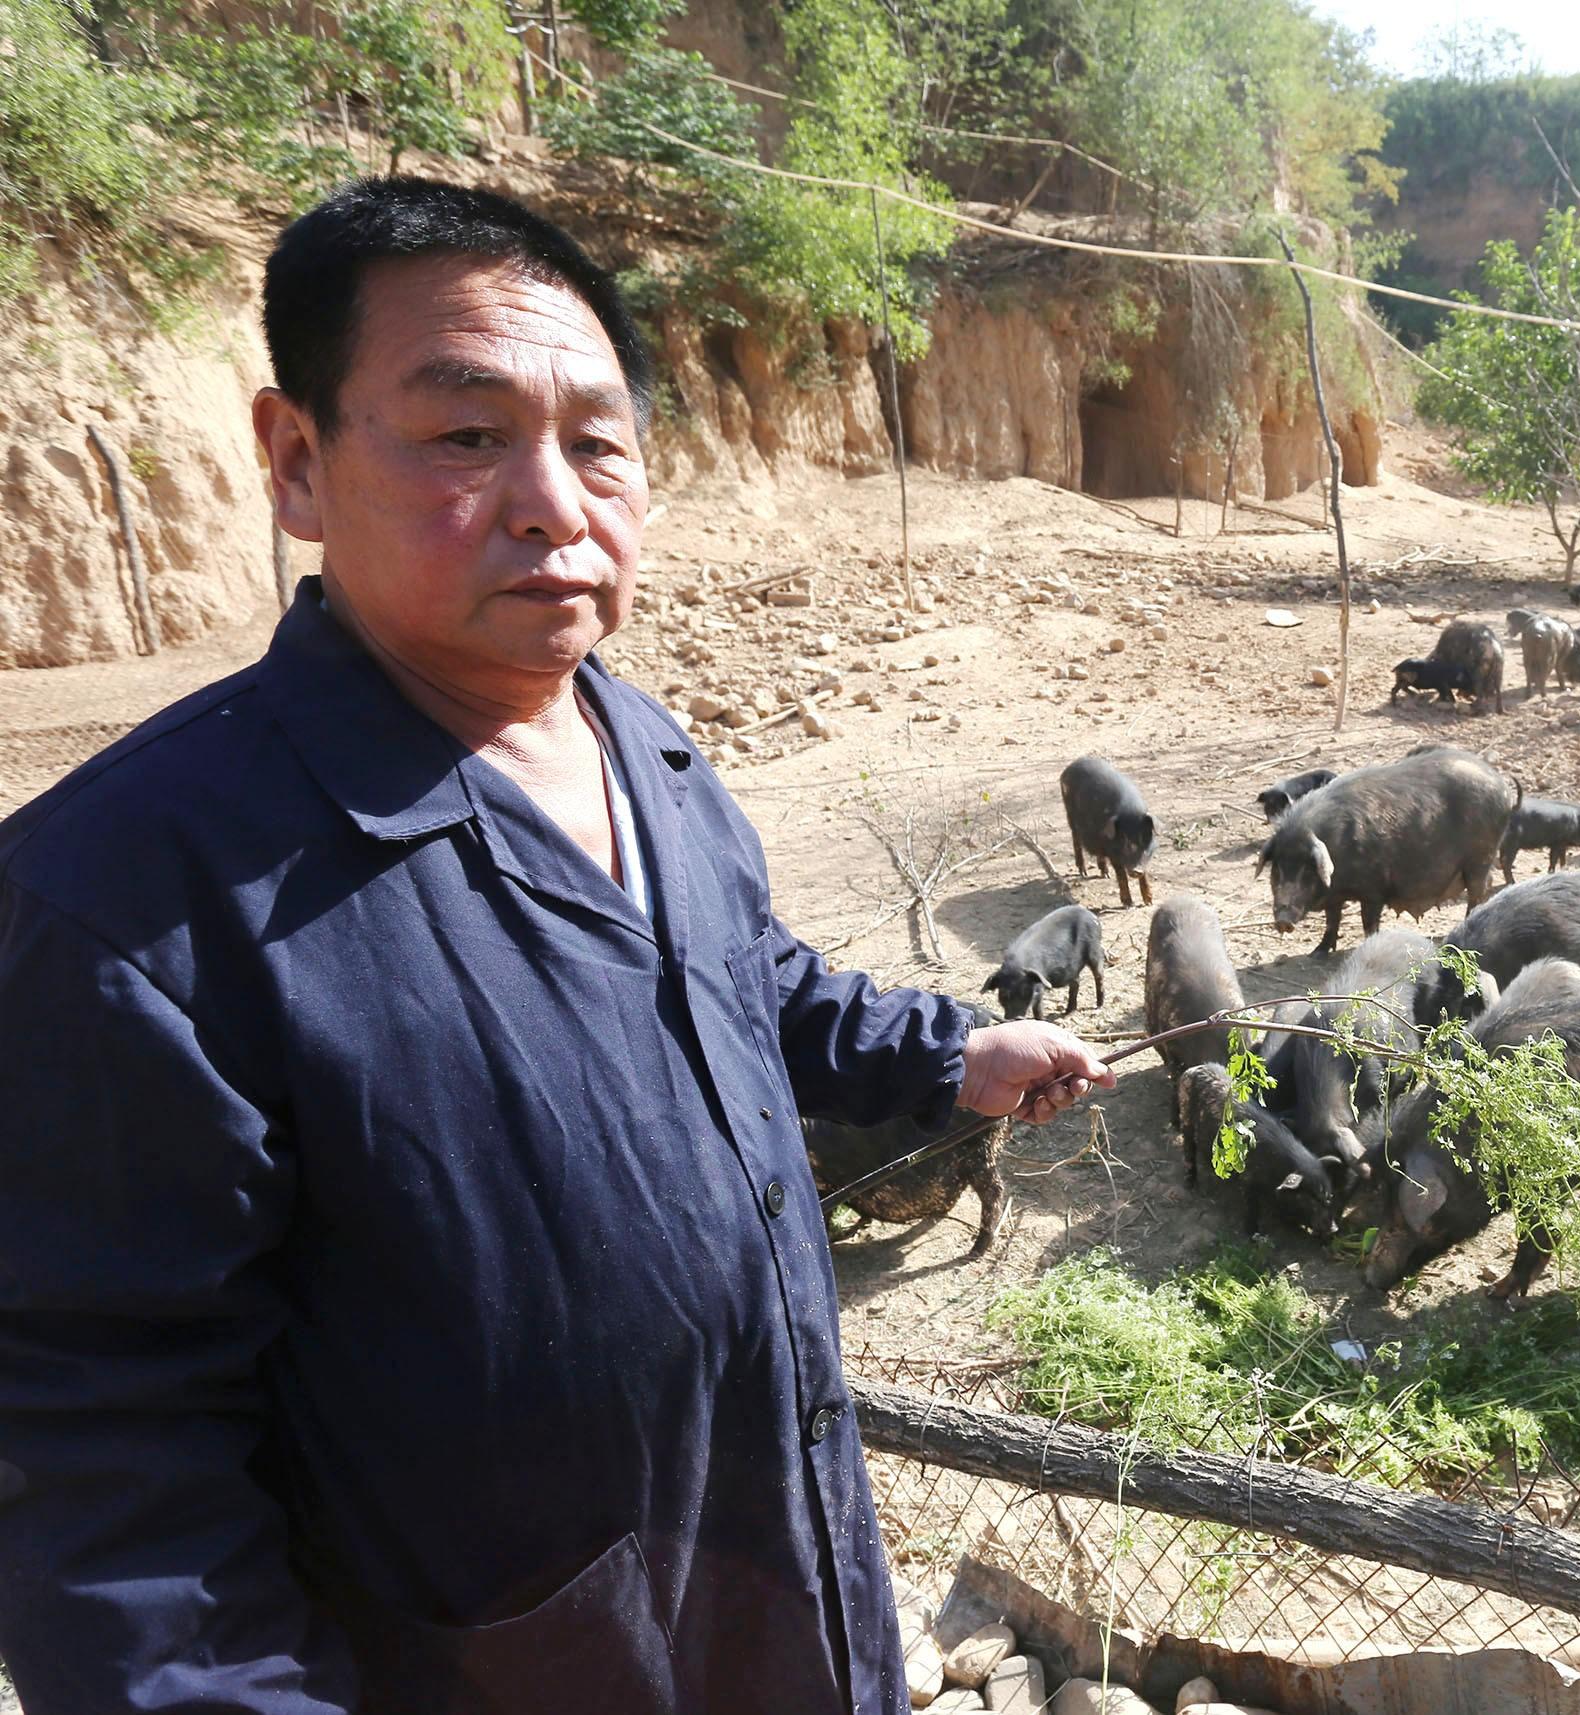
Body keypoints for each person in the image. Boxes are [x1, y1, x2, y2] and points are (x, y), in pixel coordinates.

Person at [0, 176, 1112, 1715]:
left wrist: (944, 1054)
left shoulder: (637, 744)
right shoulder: (130, 903)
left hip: (786, 1616)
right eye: (466, 436)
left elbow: (744, 982)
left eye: (597, 444)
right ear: (297, 460)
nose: (552, 503)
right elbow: (101, 1476)